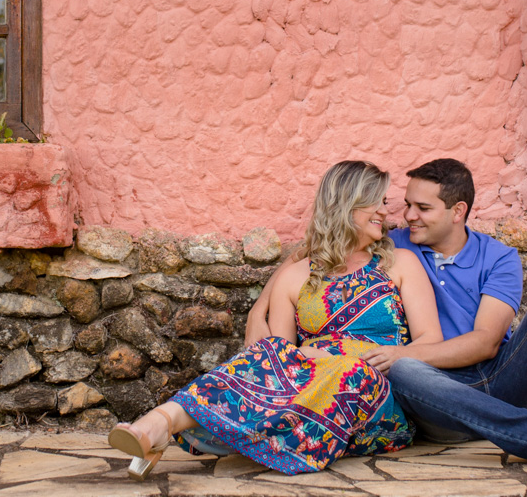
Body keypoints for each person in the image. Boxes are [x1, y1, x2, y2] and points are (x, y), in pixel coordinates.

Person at [246, 158, 527, 478]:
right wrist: (259, 306)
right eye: (407, 205)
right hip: (431, 396)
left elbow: (486, 342)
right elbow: (313, 252)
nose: (407, 216)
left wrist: (400, 354)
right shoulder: (394, 244)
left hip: (503, 380)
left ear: (457, 212)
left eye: (422, 208)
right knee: (405, 370)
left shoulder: (499, 258)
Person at [107, 160, 443, 480]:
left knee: (348, 371)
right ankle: (158, 423)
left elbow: (431, 339)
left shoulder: (400, 264)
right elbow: (279, 360)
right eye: (375, 201)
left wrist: (376, 356)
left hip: (375, 395)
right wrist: (298, 352)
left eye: (384, 202)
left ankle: (219, 429)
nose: (385, 211)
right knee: (268, 352)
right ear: (345, 205)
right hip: (310, 387)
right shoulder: (295, 276)